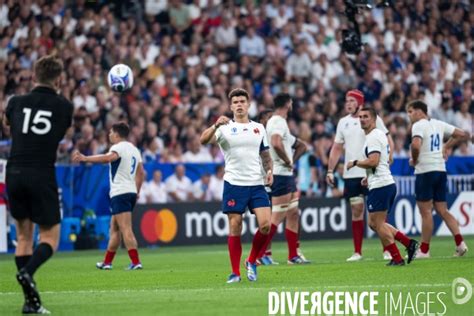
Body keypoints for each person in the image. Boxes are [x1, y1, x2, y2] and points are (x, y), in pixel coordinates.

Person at [5, 55, 73, 314]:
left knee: (23, 236)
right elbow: (60, 133)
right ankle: (27, 272)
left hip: (13, 171)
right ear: (59, 80)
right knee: (50, 237)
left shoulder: (16, 102)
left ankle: (30, 302)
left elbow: (8, 124)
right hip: (41, 172)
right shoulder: (64, 106)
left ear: (33, 76)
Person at [200, 88, 273, 283]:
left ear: (248, 105)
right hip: (234, 183)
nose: (239, 104)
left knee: (266, 225)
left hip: (256, 183)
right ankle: (235, 273)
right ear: (231, 106)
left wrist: (269, 170)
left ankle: (251, 261)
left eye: (242, 101)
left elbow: (265, 154)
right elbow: (203, 140)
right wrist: (215, 125)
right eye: (236, 102)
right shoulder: (224, 127)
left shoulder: (259, 128)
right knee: (235, 225)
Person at [326, 89, 394, 262]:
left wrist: (389, 157)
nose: (348, 103)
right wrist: (330, 170)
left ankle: (387, 249)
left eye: (351, 100)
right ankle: (357, 252)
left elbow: (388, 139)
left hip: (371, 173)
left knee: (378, 215)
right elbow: (337, 148)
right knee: (356, 211)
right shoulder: (343, 122)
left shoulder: (372, 118)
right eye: (346, 101)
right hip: (351, 175)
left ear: (359, 103)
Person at [346, 107, 418, 266]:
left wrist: (356, 163)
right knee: (374, 224)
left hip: (381, 185)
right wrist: (367, 177)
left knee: (378, 224)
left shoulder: (373, 136)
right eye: (360, 117)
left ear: (373, 119)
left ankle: (397, 258)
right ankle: (408, 243)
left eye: (366, 116)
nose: (362, 119)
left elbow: (374, 161)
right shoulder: (374, 136)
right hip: (380, 183)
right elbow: (378, 162)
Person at [72, 122, 145, 270]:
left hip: (120, 192)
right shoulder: (134, 149)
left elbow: (108, 158)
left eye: (111, 132)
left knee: (125, 229)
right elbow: (141, 173)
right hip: (129, 192)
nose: (109, 135)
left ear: (117, 135)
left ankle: (136, 262)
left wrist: (86, 158)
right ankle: (107, 262)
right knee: (115, 229)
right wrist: (137, 191)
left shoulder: (117, 148)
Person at [406, 100, 470, 258]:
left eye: (410, 111)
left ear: (420, 112)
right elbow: (462, 134)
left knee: (426, 212)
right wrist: (446, 146)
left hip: (425, 171)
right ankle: (460, 243)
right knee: (442, 210)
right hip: (440, 170)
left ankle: (425, 250)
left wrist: (414, 160)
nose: (409, 115)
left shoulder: (418, 125)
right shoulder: (438, 124)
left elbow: (415, 145)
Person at [255, 93, 309, 265]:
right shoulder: (278, 121)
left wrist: (291, 161)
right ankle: (257, 255)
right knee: (276, 218)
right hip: (280, 173)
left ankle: (293, 255)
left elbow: (298, 144)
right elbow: (276, 142)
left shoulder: (276, 122)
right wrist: (287, 160)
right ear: (288, 104)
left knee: (293, 213)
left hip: (286, 175)